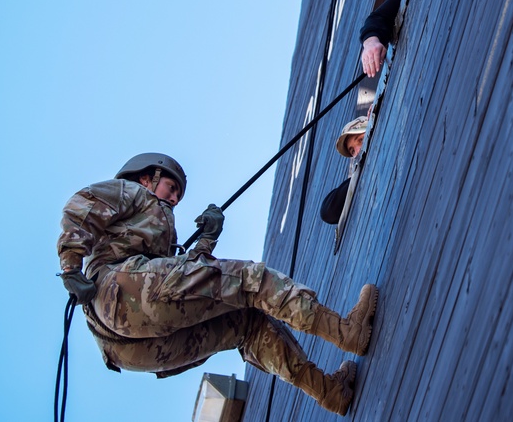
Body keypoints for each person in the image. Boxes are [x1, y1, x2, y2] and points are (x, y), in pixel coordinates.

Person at [57, 152, 379, 415]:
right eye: (170, 187)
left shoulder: (149, 243)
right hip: (120, 294)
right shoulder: (132, 191)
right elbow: (81, 205)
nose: (174, 198)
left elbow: (176, 289)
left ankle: (331, 393)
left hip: (127, 348)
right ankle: (348, 331)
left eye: (177, 195)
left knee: (245, 325)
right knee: (251, 281)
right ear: (146, 177)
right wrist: (71, 266)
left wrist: (207, 238)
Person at [320, 117, 368, 225]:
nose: (357, 151)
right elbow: (328, 211)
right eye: (352, 150)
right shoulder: (361, 178)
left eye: (360, 139)